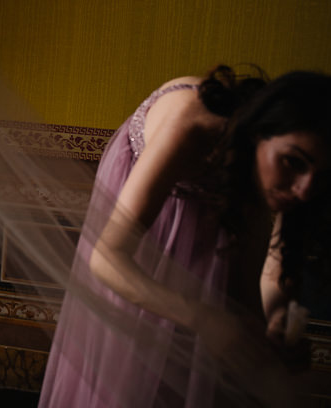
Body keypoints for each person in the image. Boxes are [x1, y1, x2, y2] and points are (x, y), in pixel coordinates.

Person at [40, 66, 331, 407]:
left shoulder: (295, 177)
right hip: (149, 225)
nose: (304, 189)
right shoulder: (192, 123)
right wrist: (204, 319)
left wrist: (278, 319)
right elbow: (106, 258)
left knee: (235, 352)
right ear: (258, 134)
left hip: (222, 223)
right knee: (140, 373)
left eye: (323, 176)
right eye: (293, 162)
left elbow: (275, 268)